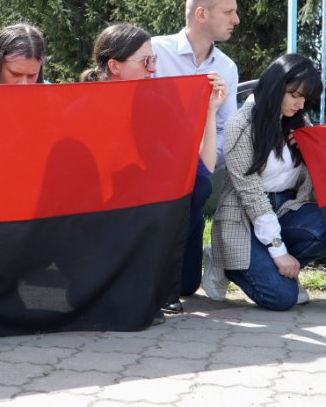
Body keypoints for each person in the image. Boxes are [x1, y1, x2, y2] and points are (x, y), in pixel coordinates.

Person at [82, 22, 227, 313]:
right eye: (145, 61)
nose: (153, 69)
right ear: (114, 66)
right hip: (104, 225)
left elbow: (203, 169)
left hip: (160, 223)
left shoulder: (156, 104)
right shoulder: (84, 107)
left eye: (154, 59)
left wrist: (210, 110)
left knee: (198, 186)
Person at [203, 54, 326, 310]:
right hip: (244, 215)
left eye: (305, 98)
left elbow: (315, 179)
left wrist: (309, 150)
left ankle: (285, 273)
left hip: (286, 208)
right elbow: (250, 193)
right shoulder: (241, 124)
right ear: (276, 87)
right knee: (282, 298)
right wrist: (278, 251)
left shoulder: (298, 123)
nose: (300, 104)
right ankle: (221, 259)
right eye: (294, 95)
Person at [150, 0, 240, 311]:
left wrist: (201, 161)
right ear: (201, 14)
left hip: (195, 180)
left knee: (187, 285)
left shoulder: (226, 68)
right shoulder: (154, 52)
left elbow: (227, 129)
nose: (236, 19)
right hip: (150, 169)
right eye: (228, 12)